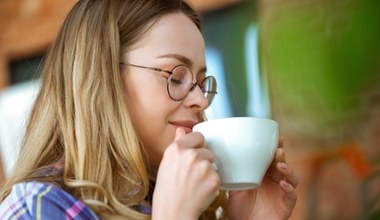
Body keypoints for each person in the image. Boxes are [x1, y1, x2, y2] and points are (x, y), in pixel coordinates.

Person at [0, 0, 298, 219]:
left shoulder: (190, 204)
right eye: (175, 75)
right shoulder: (38, 208)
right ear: (104, 79)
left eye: (200, 81)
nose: (202, 101)